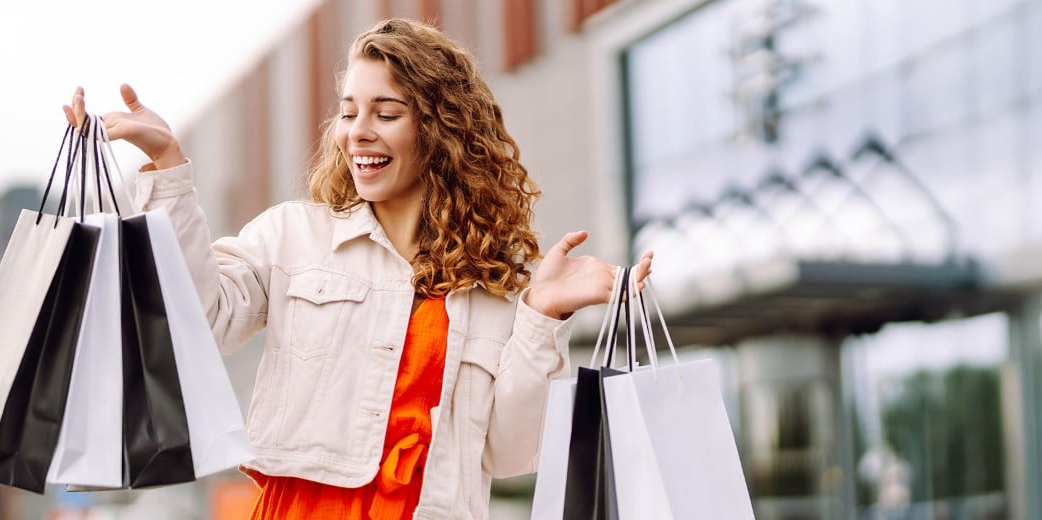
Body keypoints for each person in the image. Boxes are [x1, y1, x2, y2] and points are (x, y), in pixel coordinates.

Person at [65, 18, 652, 520]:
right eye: (349, 113)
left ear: (440, 128)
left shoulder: (495, 283)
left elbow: (509, 452)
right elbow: (198, 323)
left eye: (385, 112)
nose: (357, 132)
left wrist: (540, 316)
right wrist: (167, 166)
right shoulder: (293, 236)